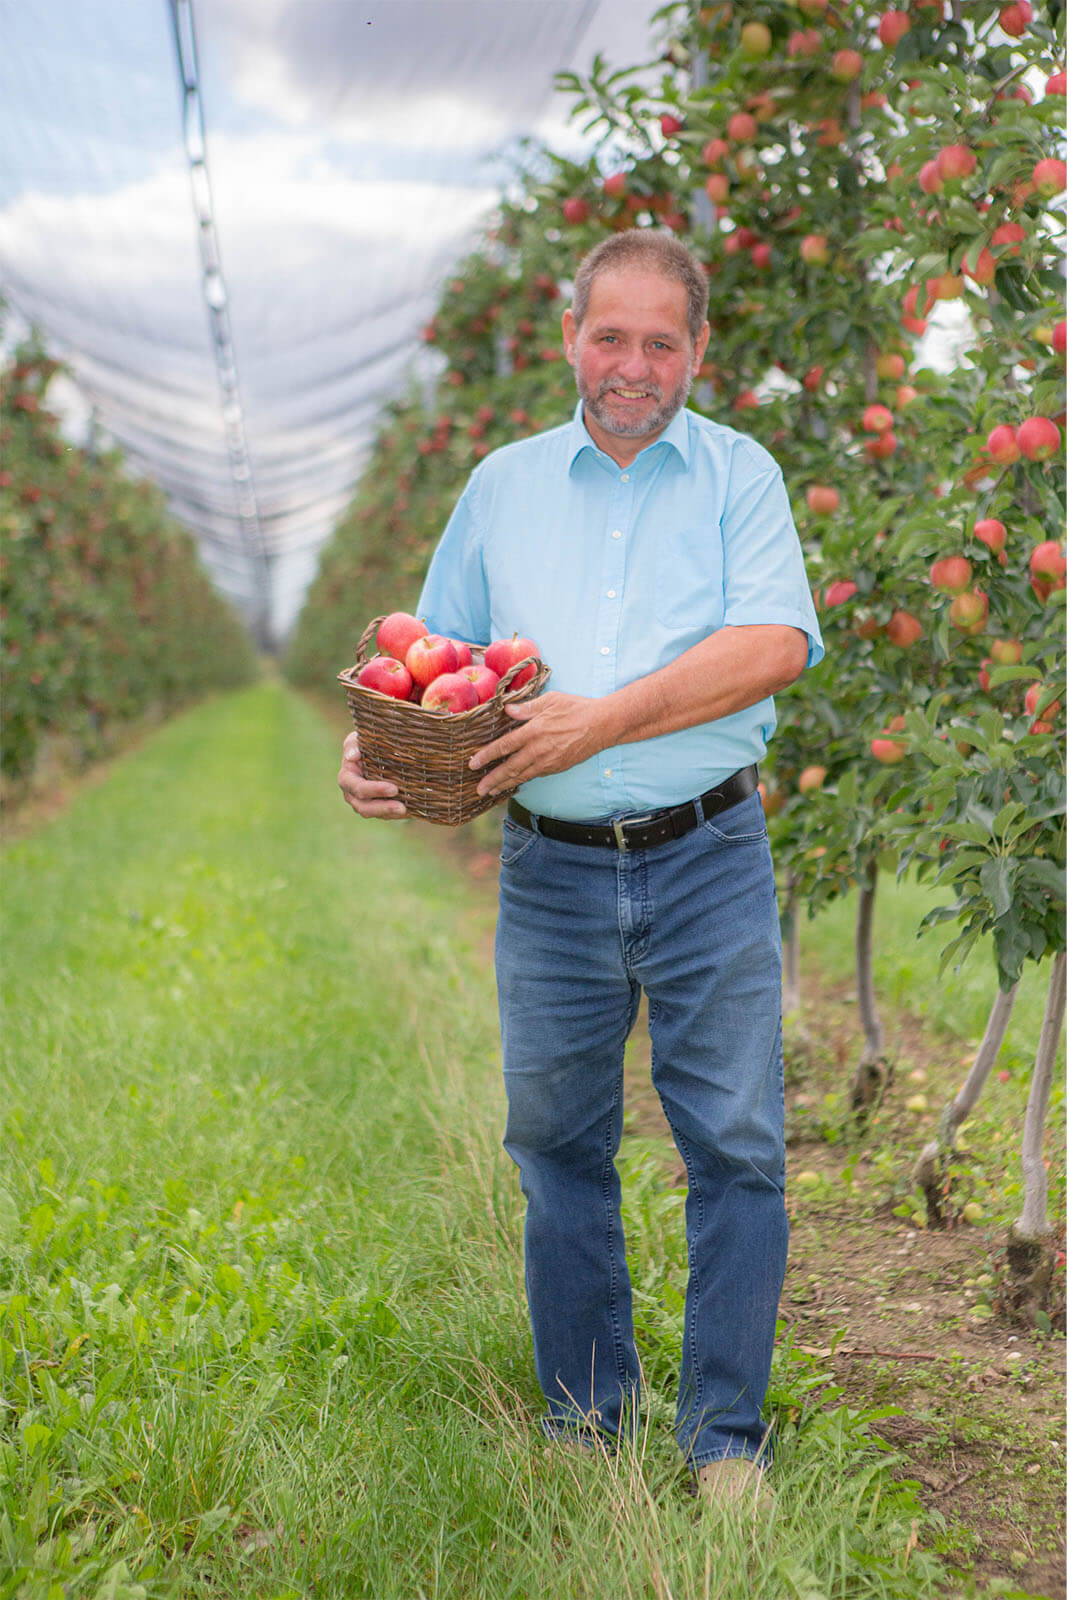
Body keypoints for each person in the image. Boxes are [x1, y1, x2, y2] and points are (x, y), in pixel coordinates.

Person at [339, 230, 824, 1504]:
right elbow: (433, 659)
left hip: (708, 850)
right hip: (549, 871)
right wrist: (373, 751)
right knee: (557, 1141)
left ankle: (723, 1439)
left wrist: (602, 717)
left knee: (733, 1141)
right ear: (569, 337)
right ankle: (587, 1419)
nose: (633, 364)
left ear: (697, 352)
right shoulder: (501, 486)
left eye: (661, 341)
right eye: (610, 336)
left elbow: (775, 642)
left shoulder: (739, 476)